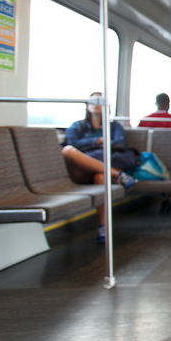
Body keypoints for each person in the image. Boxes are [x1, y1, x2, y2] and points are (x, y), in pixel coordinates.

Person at [62, 92, 137, 242]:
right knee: (68, 151)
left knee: (100, 177)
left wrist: (91, 147)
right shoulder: (77, 126)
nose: (96, 103)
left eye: (100, 100)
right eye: (93, 101)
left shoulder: (114, 126)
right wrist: (98, 141)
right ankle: (118, 175)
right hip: (82, 169)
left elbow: (119, 144)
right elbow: (72, 143)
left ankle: (103, 227)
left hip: (103, 161)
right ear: (87, 105)